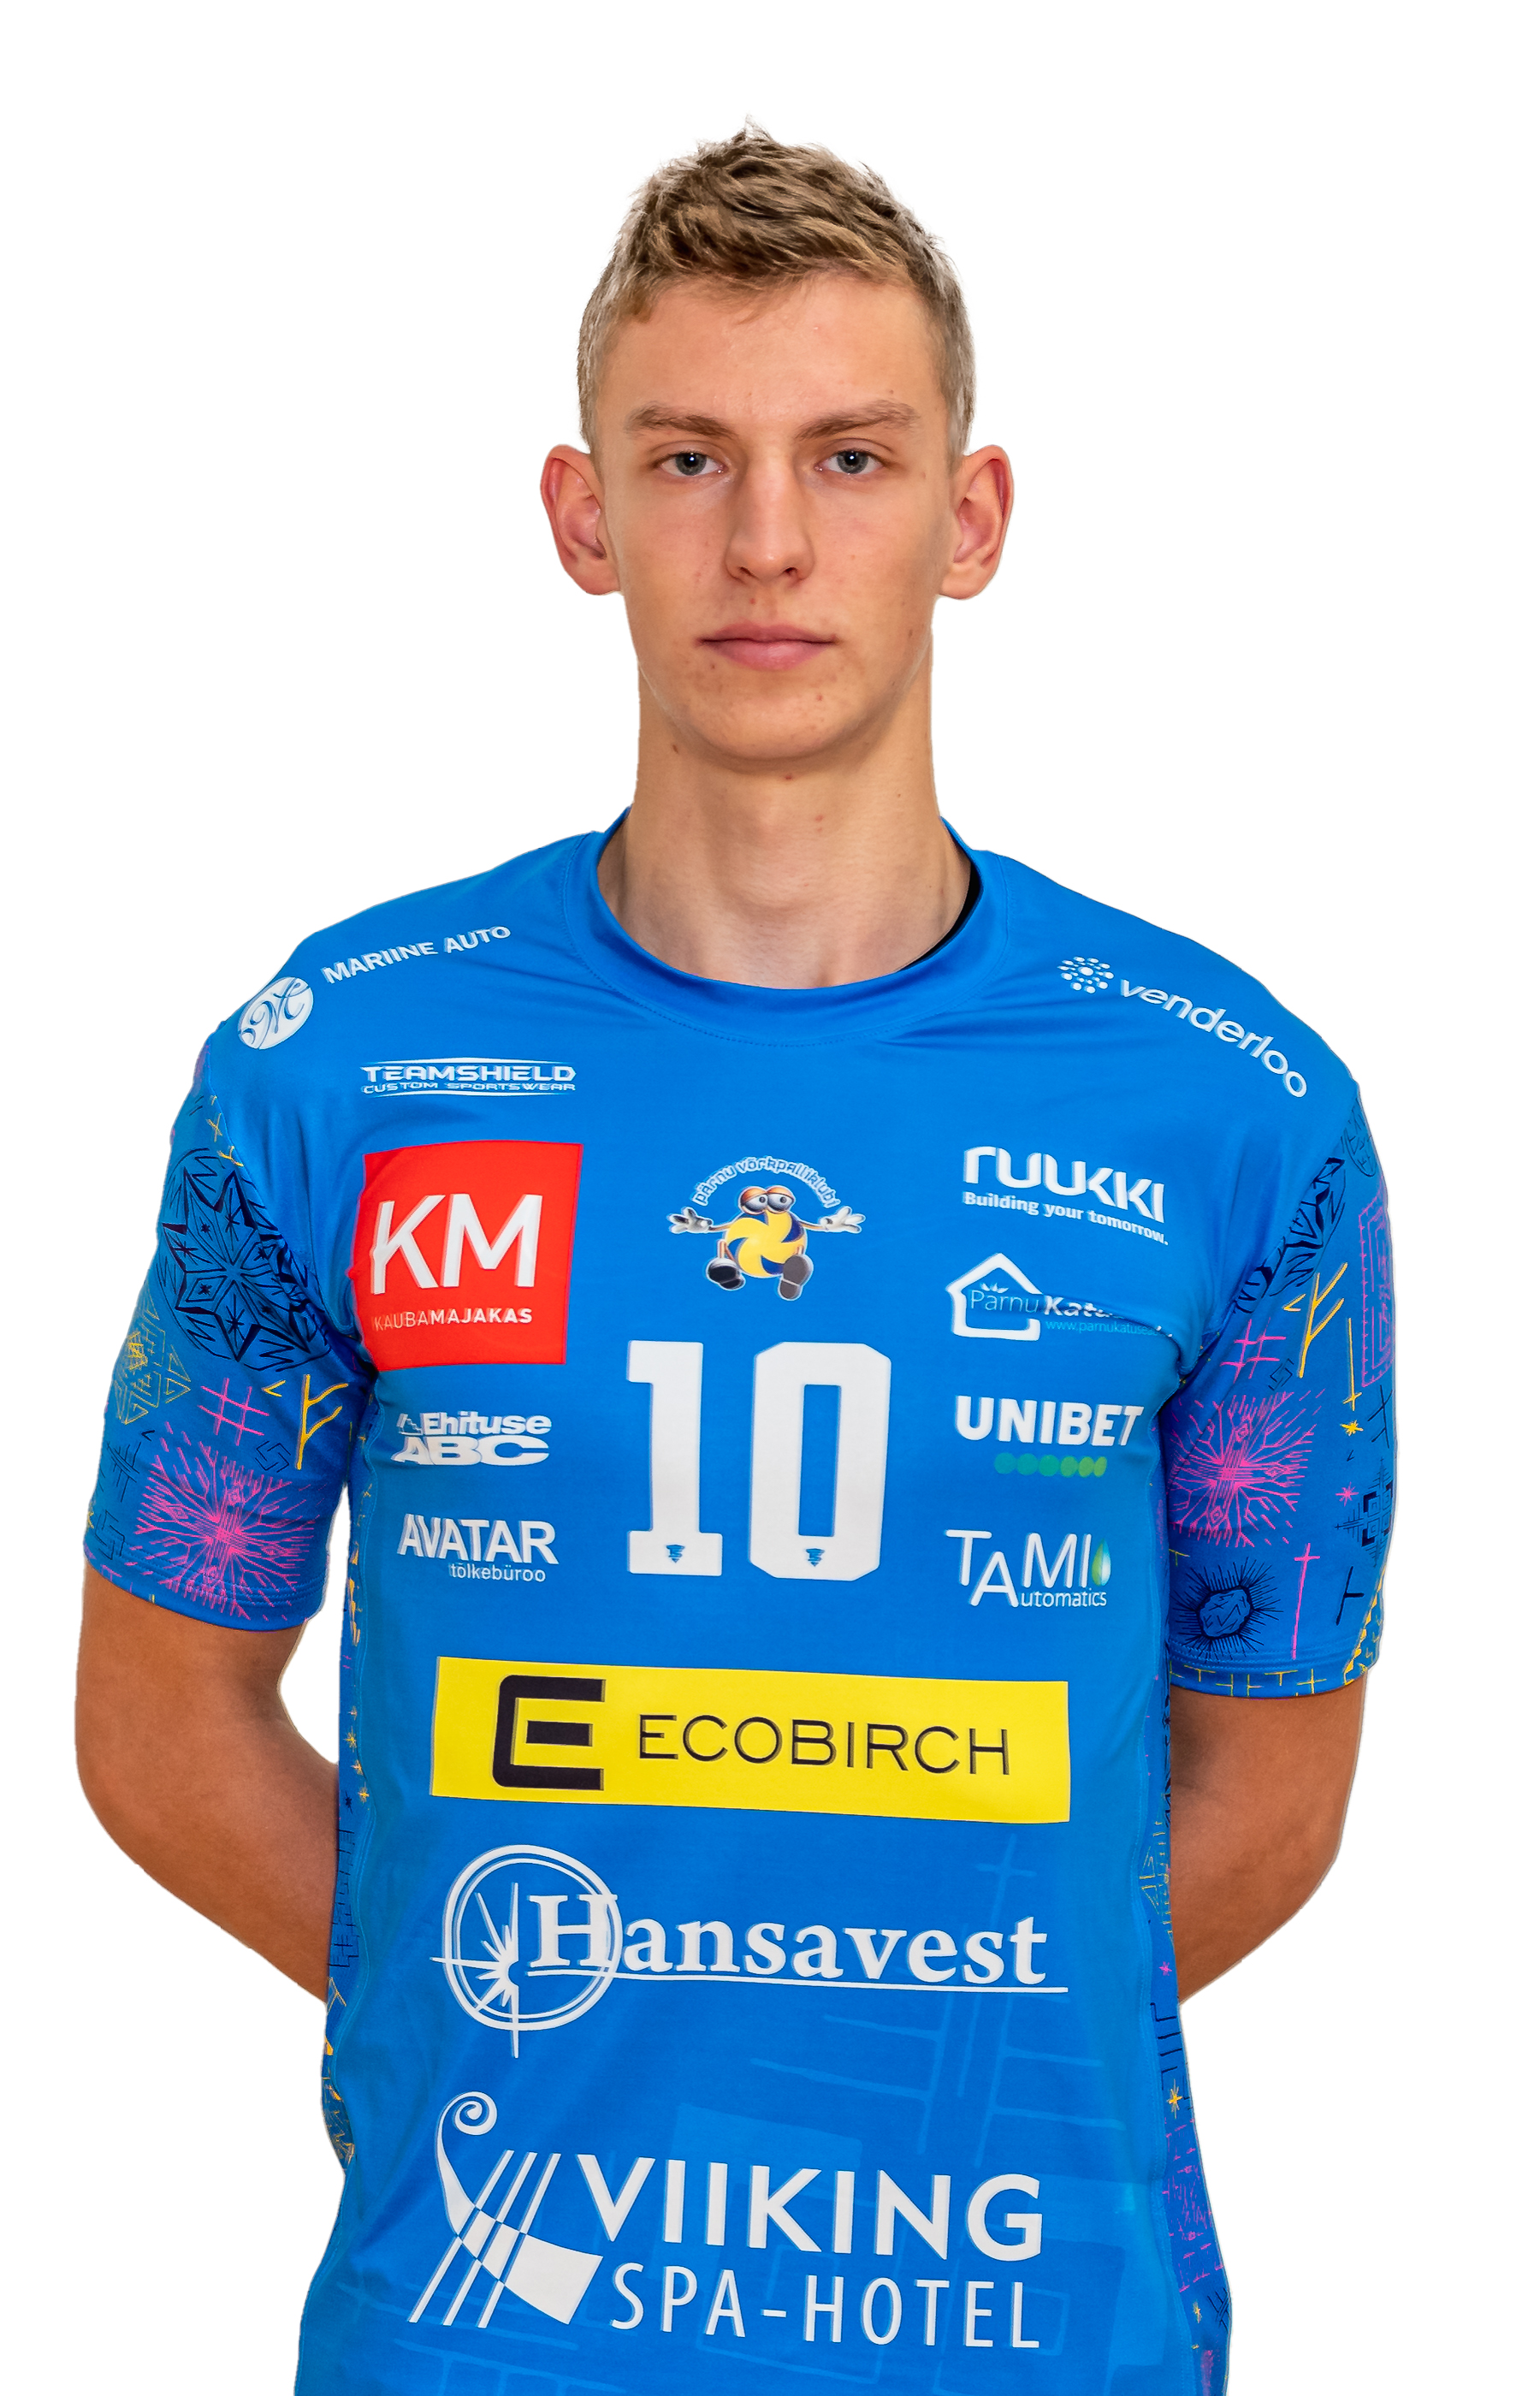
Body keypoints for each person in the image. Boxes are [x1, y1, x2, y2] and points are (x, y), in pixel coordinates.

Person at [78, 126, 1394, 2394]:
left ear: (970, 518)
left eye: (850, 458)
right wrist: (517, 2009)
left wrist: (890, 2039)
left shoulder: (1231, 1108)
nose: (768, 540)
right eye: (688, 458)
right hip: (488, 2330)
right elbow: (157, 1722)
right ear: (582, 516)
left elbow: (1274, 1789)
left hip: (1034, 2329)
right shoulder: (333, 1070)